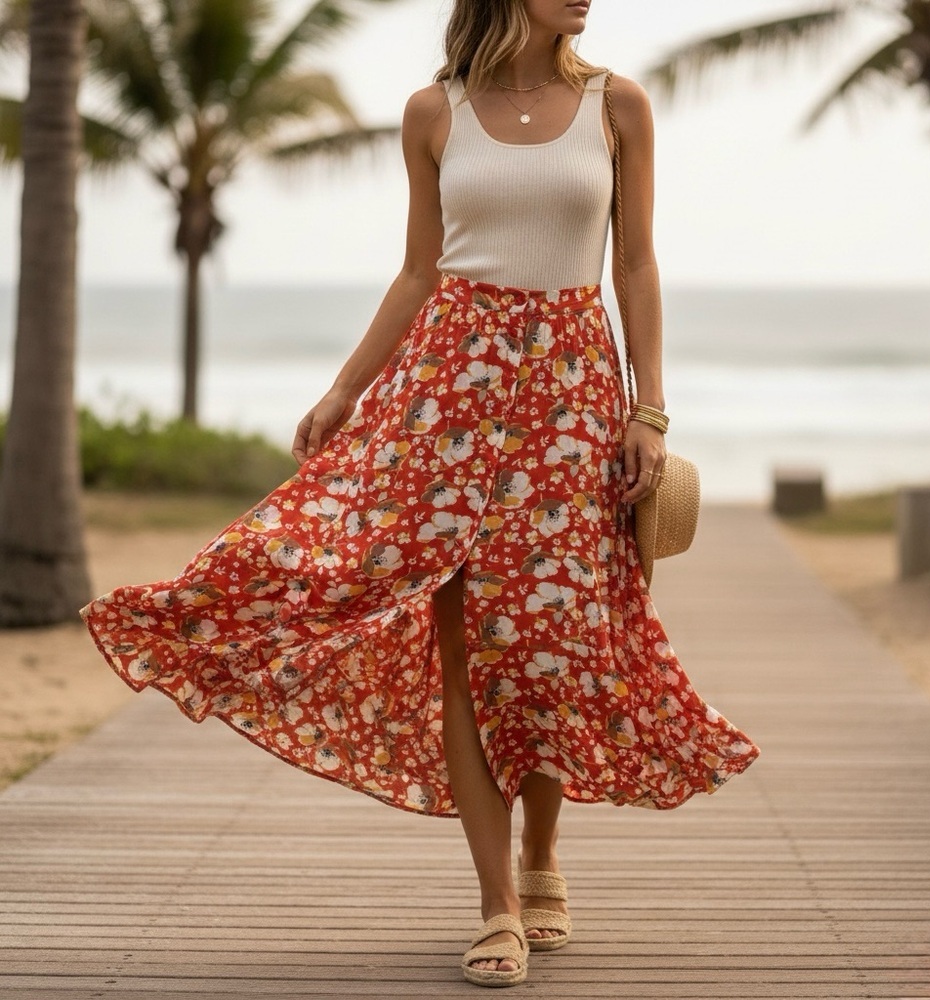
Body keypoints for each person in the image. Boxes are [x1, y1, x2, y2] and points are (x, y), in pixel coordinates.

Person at [81, 0, 759, 988]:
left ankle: (541, 851)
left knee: (547, 642)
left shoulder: (618, 106)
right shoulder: (433, 113)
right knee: (464, 653)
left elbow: (636, 262)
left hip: (571, 393)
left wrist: (648, 411)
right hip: (448, 395)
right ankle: (497, 904)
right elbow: (417, 270)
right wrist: (344, 389)